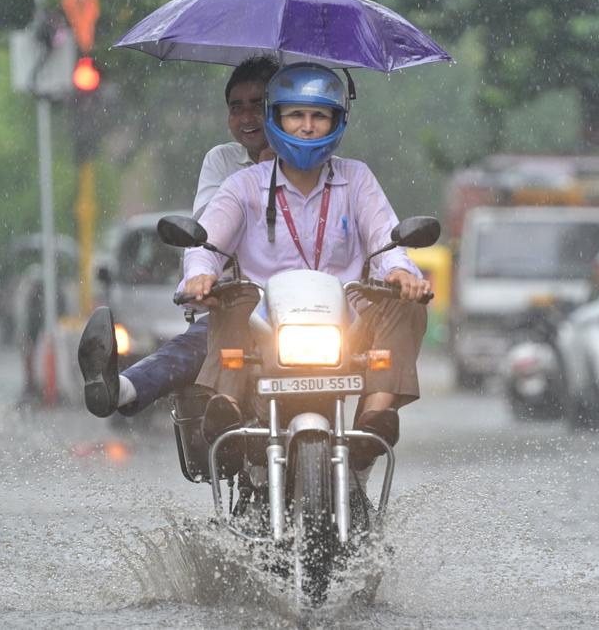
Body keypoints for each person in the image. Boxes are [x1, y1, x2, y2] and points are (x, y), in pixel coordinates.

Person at [181, 63, 431, 496]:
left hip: (345, 325)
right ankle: (228, 410)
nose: (308, 127)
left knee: (403, 302)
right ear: (276, 119)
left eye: (320, 116)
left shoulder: (357, 178)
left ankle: (373, 421)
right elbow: (206, 244)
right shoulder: (243, 185)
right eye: (296, 115)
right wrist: (200, 277)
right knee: (229, 296)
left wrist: (402, 274)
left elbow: (387, 242)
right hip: (264, 326)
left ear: (337, 122)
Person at [78, 56, 278, 417]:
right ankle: (122, 388)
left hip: (308, 314)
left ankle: (362, 445)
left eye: (259, 106)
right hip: (238, 305)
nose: (248, 117)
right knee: (198, 342)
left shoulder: (325, 168)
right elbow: (209, 232)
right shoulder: (222, 161)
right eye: (237, 108)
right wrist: (262, 173)